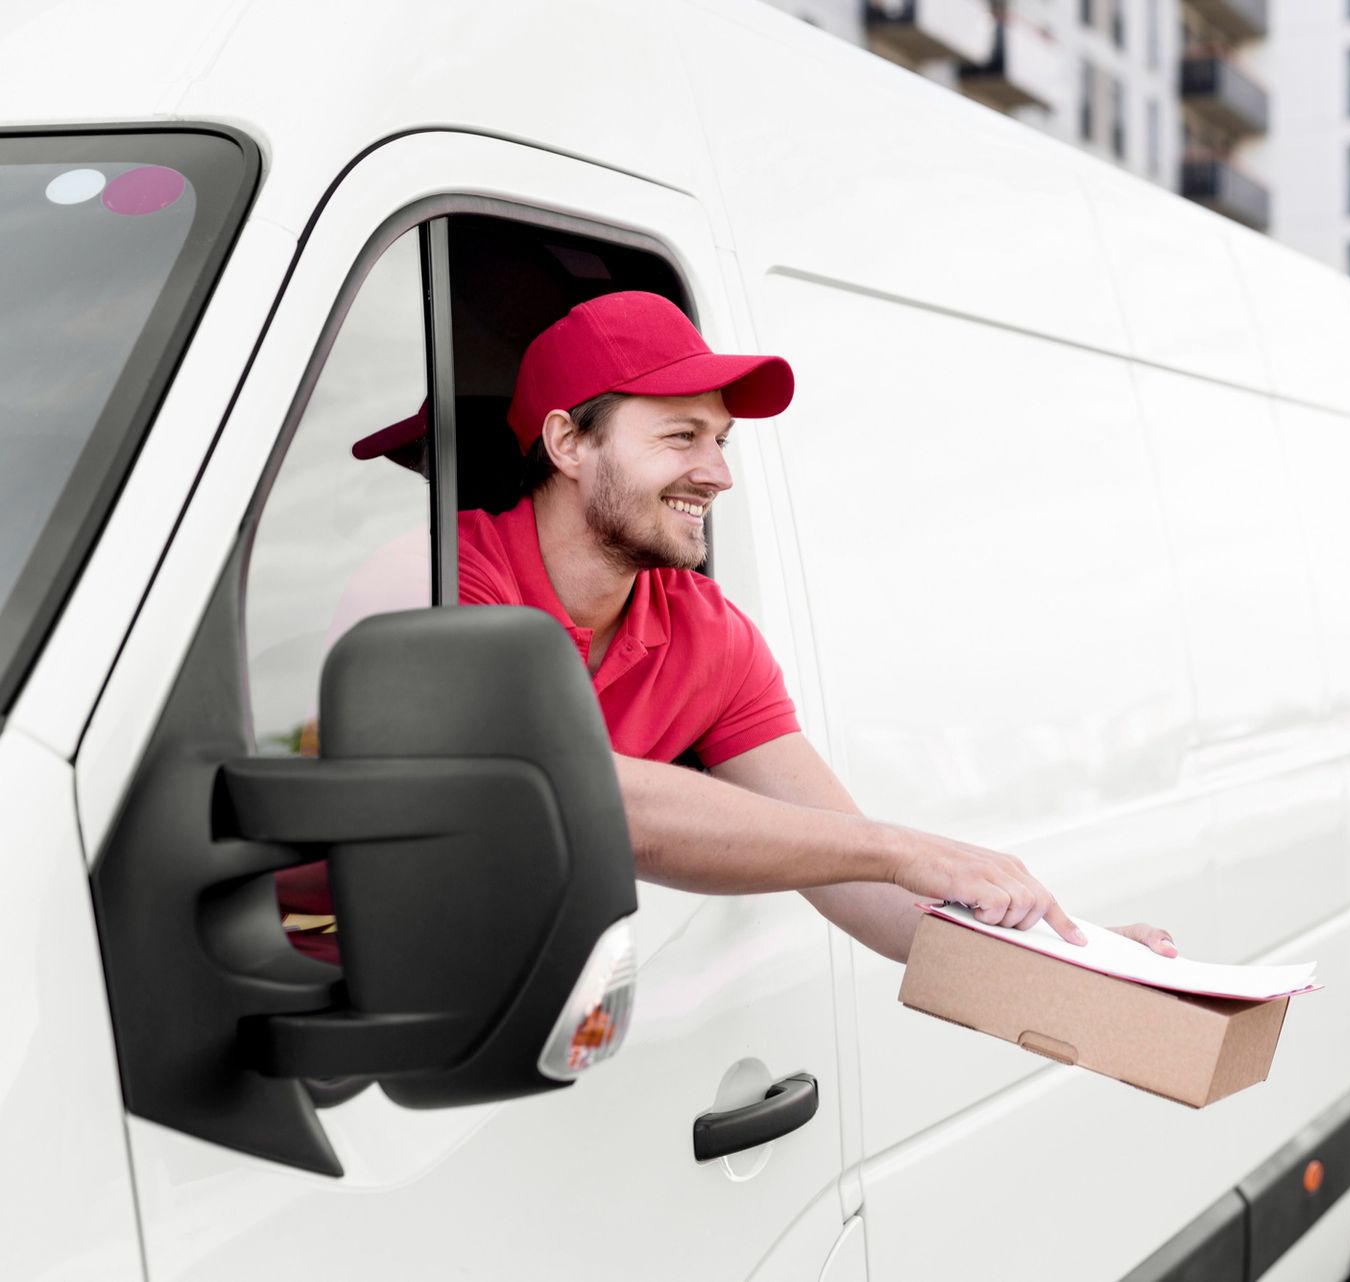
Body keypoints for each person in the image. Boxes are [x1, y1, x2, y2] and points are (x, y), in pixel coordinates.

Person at [287, 291, 1173, 966]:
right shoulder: (437, 579)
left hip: (509, 1017)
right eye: (681, 436)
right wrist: (905, 849)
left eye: (721, 441)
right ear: (568, 444)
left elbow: (862, 888)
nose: (717, 473)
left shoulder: (707, 634)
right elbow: (563, 792)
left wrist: (1079, 958)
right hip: (310, 998)